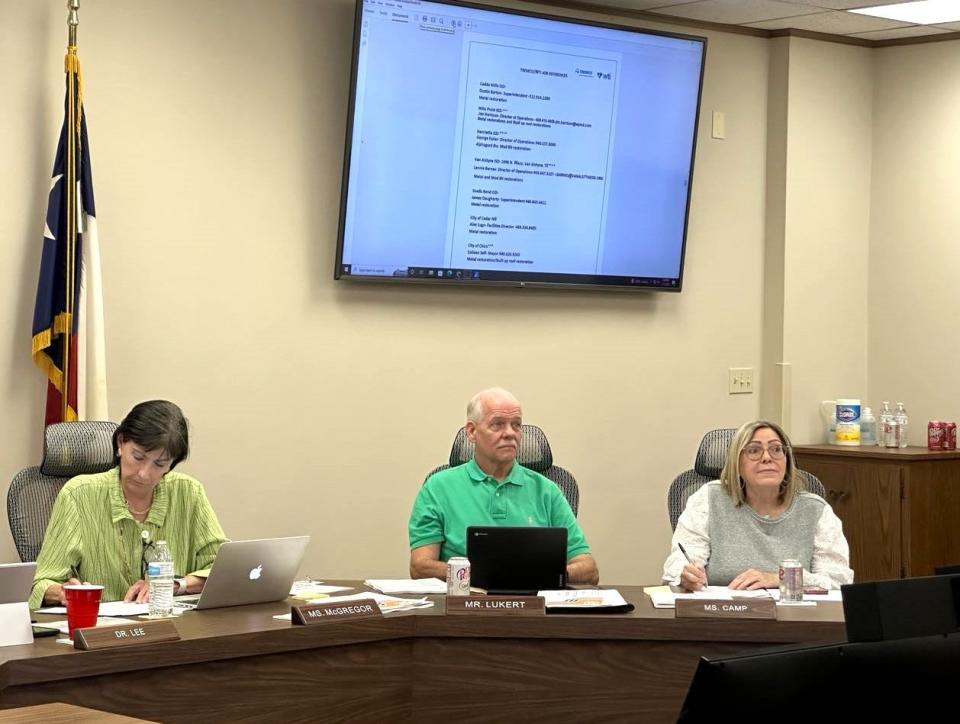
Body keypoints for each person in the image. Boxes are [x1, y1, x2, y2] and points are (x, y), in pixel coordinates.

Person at [29, 400, 228, 609]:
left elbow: (224, 569)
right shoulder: (78, 495)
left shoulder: (188, 492)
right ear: (121, 443)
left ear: (172, 464)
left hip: (173, 628)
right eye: (138, 456)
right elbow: (40, 584)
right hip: (102, 633)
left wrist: (176, 584)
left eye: (159, 464)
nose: (144, 473)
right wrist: (63, 593)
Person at [408, 387, 599, 585]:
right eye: (497, 425)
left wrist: (548, 574)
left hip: (534, 608)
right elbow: (420, 567)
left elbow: (589, 569)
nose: (510, 433)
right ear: (472, 431)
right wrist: (486, 573)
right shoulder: (438, 487)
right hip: (465, 606)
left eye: (516, 425)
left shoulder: (547, 490)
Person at [663, 420, 852, 591]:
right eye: (754, 450)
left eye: (776, 449)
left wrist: (781, 578)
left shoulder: (816, 510)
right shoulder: (708, 499)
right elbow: (679, 564)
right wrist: (686, 576)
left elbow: (838, 580)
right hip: (721, 616)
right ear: (737, 463)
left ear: (787, 460)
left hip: (792, 618)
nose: (767, 457)